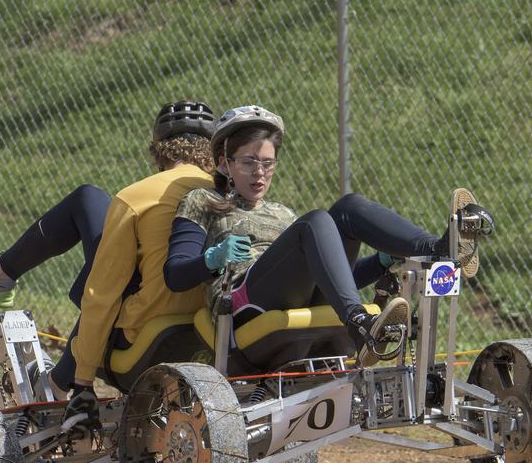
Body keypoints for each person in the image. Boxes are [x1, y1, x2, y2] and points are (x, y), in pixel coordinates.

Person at [164, 105, 486, 366]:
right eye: (248, 162)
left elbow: (332, 280)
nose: (259, 173)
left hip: (297, 303)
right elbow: (175, 274)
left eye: (267, 163)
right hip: (243, 306)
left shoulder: (283, 215)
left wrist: (380, 262)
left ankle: (439, 250)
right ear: (224, 162)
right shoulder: (201, 201)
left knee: (348, 208)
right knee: (316, 222)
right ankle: (361, 324)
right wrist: (212, 258)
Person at [0, 100, 216, 394]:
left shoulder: (139, 197)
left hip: (138, 335)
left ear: (157, 150)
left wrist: (79, 381)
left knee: (88, 202)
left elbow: (102, 294)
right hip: (206, 334)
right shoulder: (229, 195)